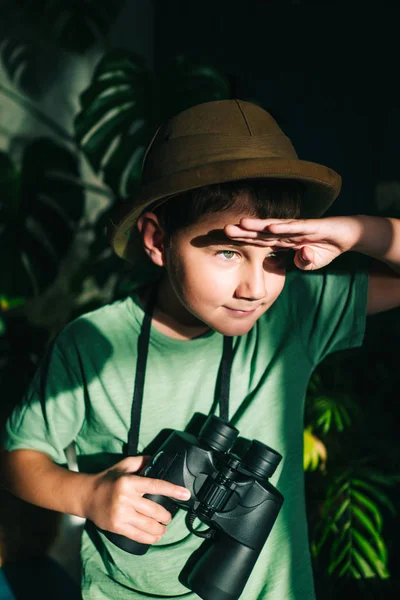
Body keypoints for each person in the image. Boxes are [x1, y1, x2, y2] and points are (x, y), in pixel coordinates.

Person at [1, 99, 400, 600]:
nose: (255, 287)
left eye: (276, 256)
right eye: (228, 252)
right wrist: (88, 494)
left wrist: (360, 230)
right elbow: (19, 456)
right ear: (157, 240)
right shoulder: (92, 342)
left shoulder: (294, 315)